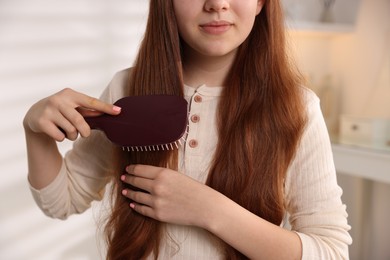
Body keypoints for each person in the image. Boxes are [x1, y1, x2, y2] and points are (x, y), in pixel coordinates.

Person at [23, 0, 352, 259]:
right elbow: (61, 201)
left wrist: (209, 210)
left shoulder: (297, 108)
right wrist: (35, 132)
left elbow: (331, 252)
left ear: (261, 2)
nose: (217, 3)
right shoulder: (127, 88)